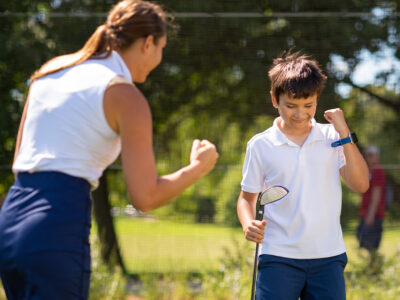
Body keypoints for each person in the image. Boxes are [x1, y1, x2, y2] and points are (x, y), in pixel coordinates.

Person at [0, 1, 219, 299]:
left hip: (11, 221)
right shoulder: (125, 97)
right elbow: (145, 197)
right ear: (148, 43)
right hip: (55, 226)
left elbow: (21, 160)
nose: (160, 57)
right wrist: (197, 168)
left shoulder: (51, 69)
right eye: (161, 48)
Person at [237, 51, 369, 300]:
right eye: (291, 106)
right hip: (277, 256)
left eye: (308, 106)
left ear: (317, 99)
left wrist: (344, 134)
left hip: (328, 258)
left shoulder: (333, 137)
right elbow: (246, 198)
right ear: (275, 100)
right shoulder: (260, 145)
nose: (300, 114)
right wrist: (247, 224)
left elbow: (361, 184)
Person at [357, 145, 386, 263]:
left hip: (374, 215)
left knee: (371, 244)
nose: (367, 157)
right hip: (366, 213)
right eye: (366, 155)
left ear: (376, 156)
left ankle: (374, 268)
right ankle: (372, 268)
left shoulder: (378, 170)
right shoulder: (370, 170)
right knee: (363, 240)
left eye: (370, 155)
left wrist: (371, 214)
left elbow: (377, 193)